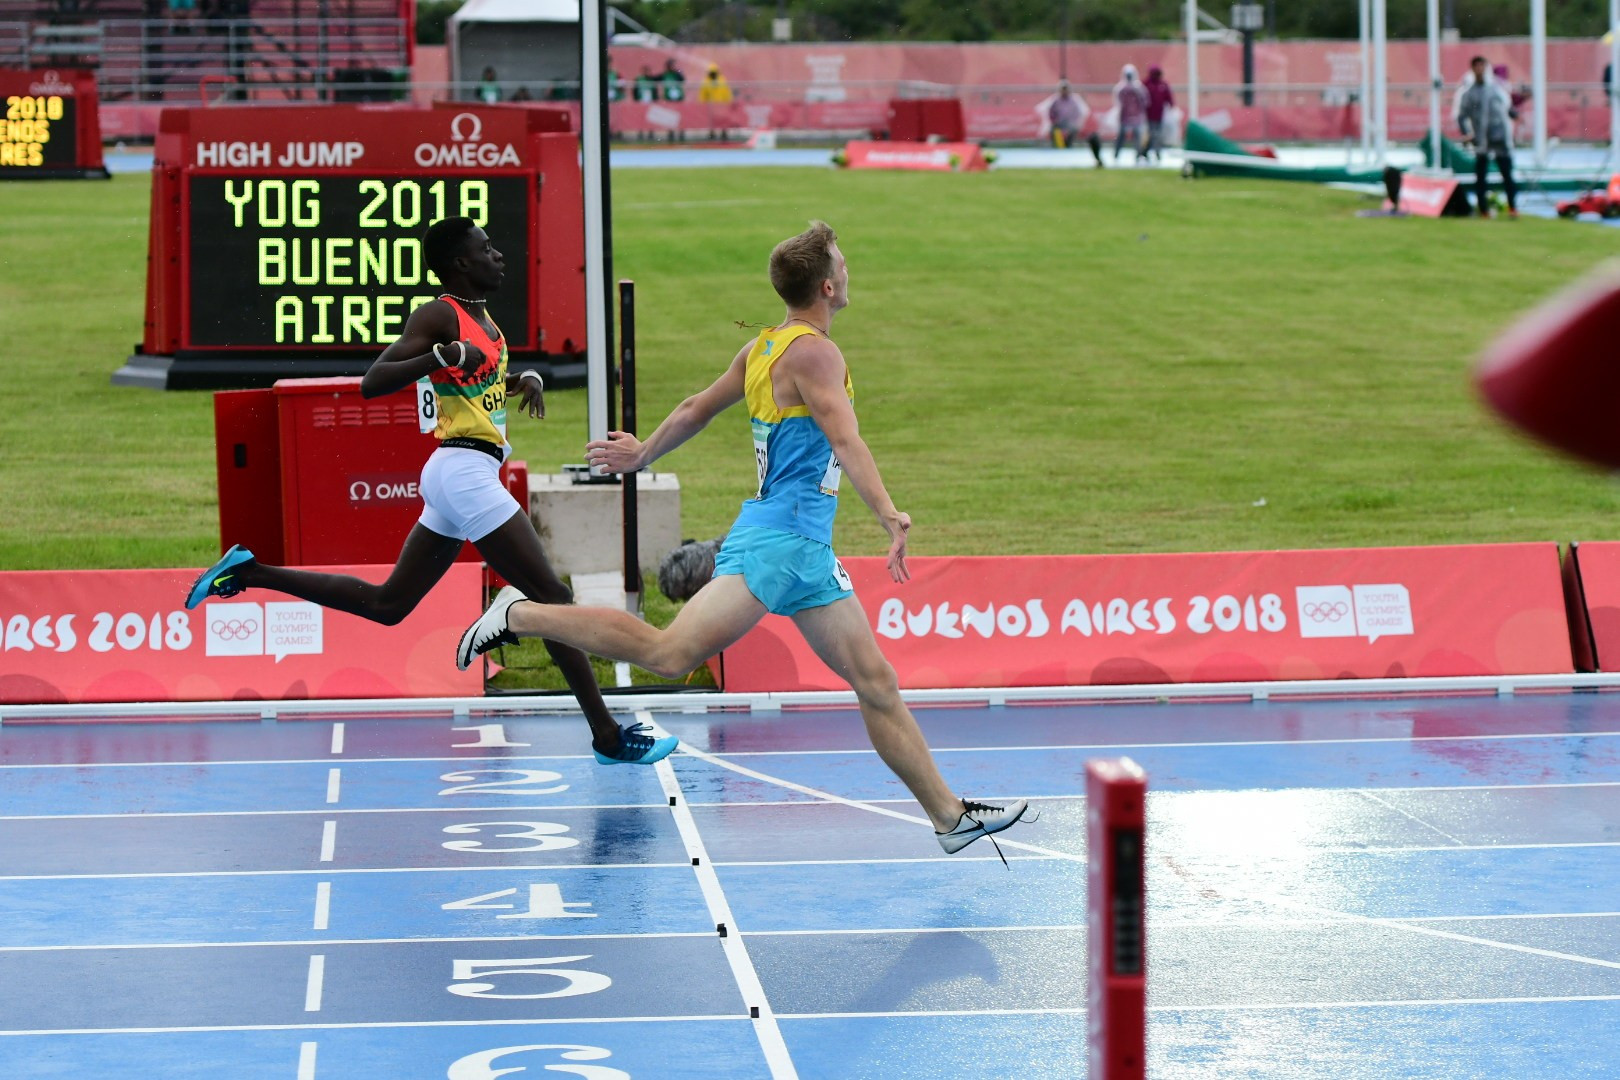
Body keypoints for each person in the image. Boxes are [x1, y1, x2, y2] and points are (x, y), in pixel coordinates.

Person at [457, 221, 1032, 858]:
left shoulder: (764, 347)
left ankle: (948, 818)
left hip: (807, 551)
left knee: (877, 682)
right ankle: (524, 613)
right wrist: (890, 515)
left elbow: (695, 407)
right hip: (776, 544)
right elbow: (845, 439)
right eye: (843, 263)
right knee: (670, 656)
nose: (849, 272)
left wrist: (644, 451)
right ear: (827, 284)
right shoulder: (815, 352)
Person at [184, 218, 671, 768]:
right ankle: (606, 735)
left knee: (388, 605)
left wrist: (521, 380)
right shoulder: (439, 314)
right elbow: (375, 381)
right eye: (486, 249)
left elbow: (475, 385)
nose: (499, 255)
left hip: (462, 471)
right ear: (461, 263)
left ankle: (247, 572)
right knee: (553, 598)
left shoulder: (484, 320)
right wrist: (439, 357)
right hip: (463, 471)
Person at [1455, 55, 1518, 219]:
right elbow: (1461, 116)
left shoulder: (1496, 89)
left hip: (1500, 138)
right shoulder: (1468, 93)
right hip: (1481, 141)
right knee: (1481, 176)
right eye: (1477, 66)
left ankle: (1513, 208)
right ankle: (1483, 210)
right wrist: (1466, 133)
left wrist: (1514, 115)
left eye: (1482, 65)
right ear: (1472, 69)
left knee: (1507, 174)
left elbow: (1507, 108)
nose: (1480, 69)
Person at [1041, 80, 1104, 166]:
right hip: (1059, 123)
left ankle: (1068, 145)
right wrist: (1054, 121)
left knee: (1075, 130)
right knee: (1053, 130)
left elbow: (1080, 113)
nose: (1064, 91)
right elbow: (1050, 112)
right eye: (1063, 89)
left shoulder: (1074, 100)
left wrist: (1076, 122)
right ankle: (1057, 147)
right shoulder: (1055, 100)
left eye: (1066, 89)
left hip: (1070, 123)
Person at [1112, 64, 1150, 165]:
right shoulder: (1121, 88)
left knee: (1137, 137)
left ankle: (1138, 155)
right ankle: (1116, 154)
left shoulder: (1138, 88)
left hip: (1136, 117)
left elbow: (1145, 101)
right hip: (1125, 117)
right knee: (1121, 137)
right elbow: (1118, 103)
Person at [1143, 65, 1175, 163]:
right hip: (1149, 115)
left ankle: (1150, 151)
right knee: (1153, 134)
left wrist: (1171, 105)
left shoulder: (1163, 84)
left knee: (1156, 134)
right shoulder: (1146, 84)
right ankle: (1152, 151)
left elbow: (1168, 97)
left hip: (1160, 115)